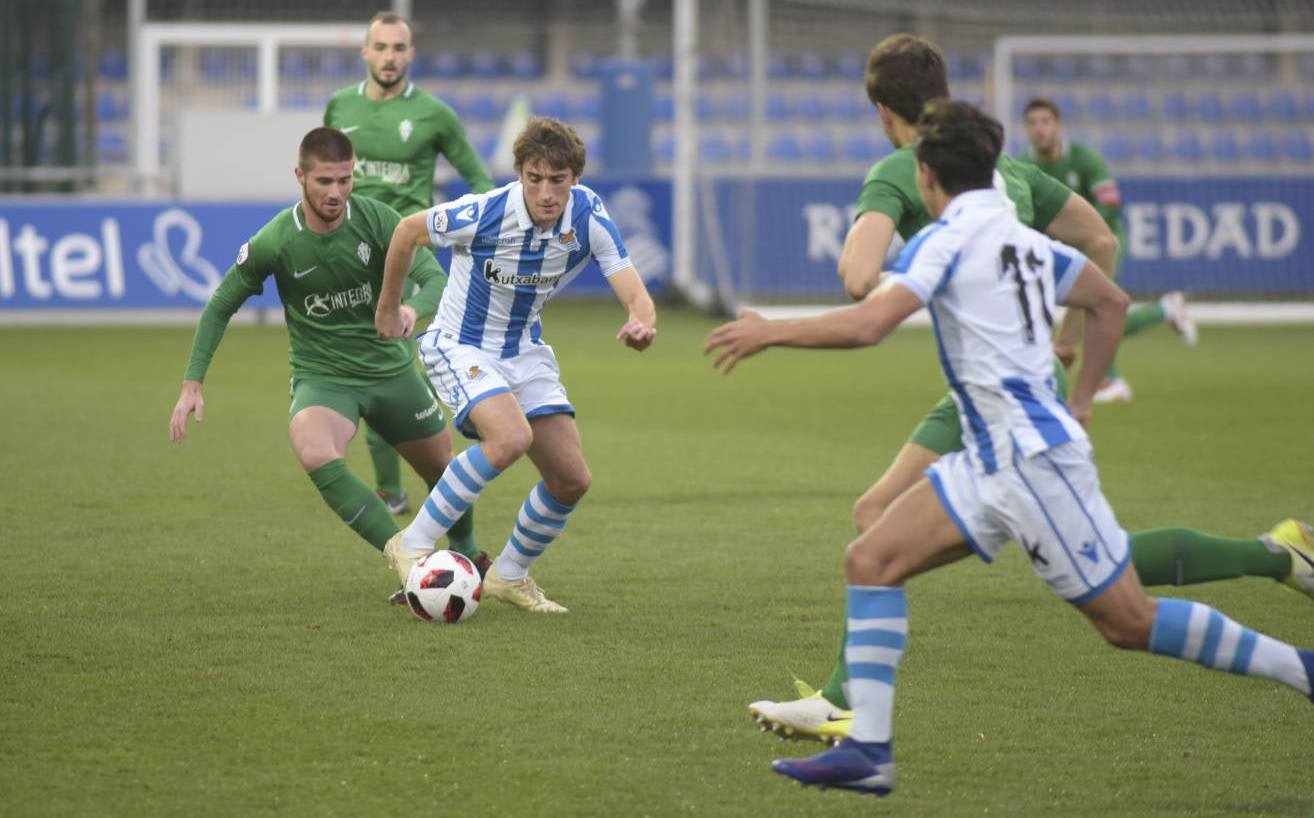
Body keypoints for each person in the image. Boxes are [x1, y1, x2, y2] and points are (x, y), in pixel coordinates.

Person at [706, 101, 1314, 797]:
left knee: (1127, 621)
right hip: (990, 460)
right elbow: (1109, 301)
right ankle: (869, 749)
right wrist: (1082, 398)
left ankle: (1301, 668)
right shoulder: (1019, 235)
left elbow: (871, 321)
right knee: (871, 558)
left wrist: (769, 331)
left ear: (927, 176)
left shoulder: (948, 237)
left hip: (1029, 465)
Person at [374, 116, 657, 613]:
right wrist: (387, 307)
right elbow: (405, 231)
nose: (546, 192)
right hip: (458, 345)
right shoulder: (484, 212)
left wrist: (641, 319)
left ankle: (508, 576)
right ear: (520, 174)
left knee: (571, 479)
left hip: (524, 351)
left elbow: (629, 281)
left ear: (575, 178)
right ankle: (411, 544)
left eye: (558, 180)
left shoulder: (588, 216)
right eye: (534, 178)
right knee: (509, 438)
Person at [169, 126, 466, 574]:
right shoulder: (276, 241)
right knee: (312, 448)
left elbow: (436, 280)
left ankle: (470, 557)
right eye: (324, 181)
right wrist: (193, 382)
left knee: (445, 470)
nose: (336, 191)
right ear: (300, 177)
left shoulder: (380, 220)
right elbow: (220, 305)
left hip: (390, 371)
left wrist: (409, 310)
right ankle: (404, 556)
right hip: (324, 378)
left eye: (344, 180)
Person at [324, 11, 496, 527]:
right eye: (381, 47)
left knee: (388, 366)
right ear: (365, 52)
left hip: (406, 252)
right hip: (348, 250)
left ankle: (394, 488)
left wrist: (473, 229)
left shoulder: (435, 115)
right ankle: (398, 486)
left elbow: (480, 181)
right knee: (358, 364)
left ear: (411, 54)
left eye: (399, 48)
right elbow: (323, 177)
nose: (390, 57)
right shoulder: (341, 106)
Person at [1021, 96, 1196, 403]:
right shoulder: (1025, 165)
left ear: (1058, 126)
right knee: (1091, 311)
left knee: (1098, 306)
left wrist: (1086, 237)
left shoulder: (1085, 160)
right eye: (1033, 123)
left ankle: (1110, 380)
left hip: (1103, 242)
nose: (1040, 129)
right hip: (1061, 248)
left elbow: (1110, 203)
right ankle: (1163, 311)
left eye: (1045, 121)